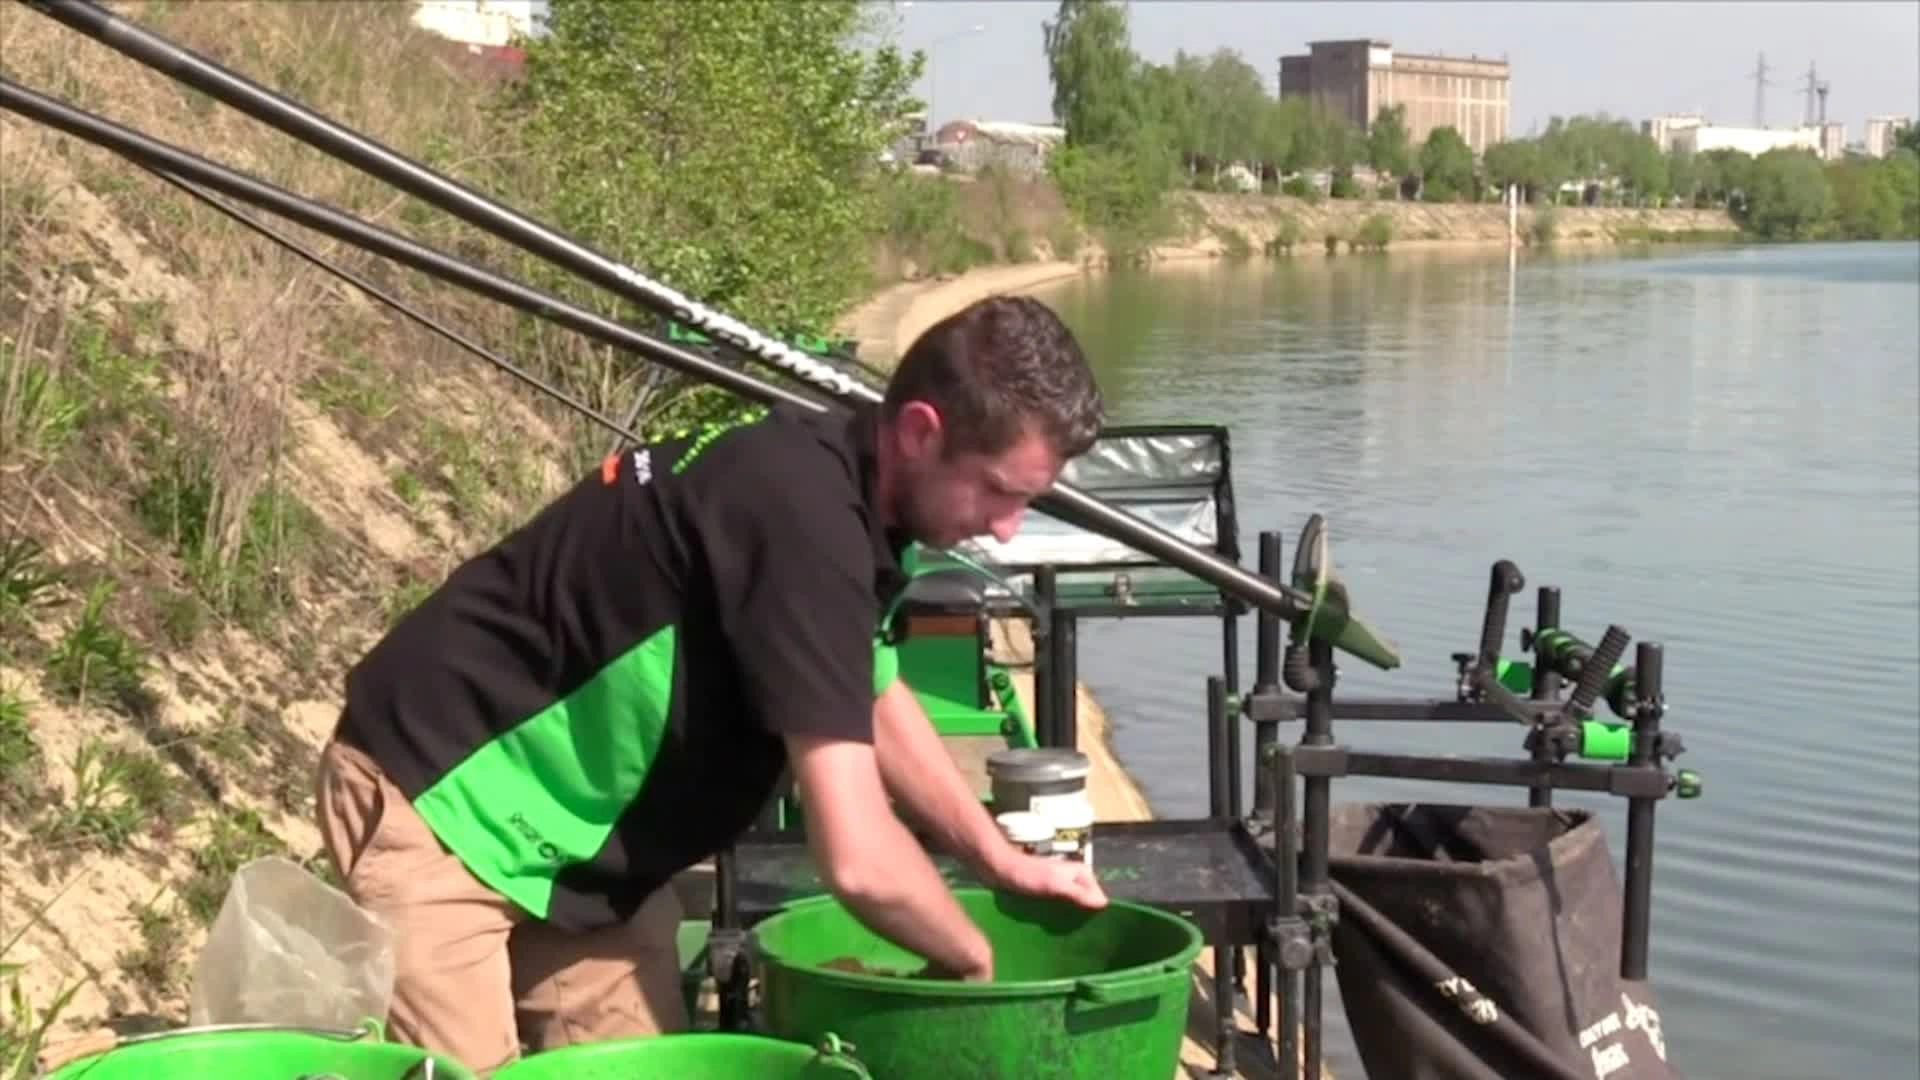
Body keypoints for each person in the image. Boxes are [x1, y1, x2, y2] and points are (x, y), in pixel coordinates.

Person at [313, 294, 1109, 1074]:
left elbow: (870, 689)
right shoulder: (800, 514)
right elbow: (859, 859)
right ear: (919, 431)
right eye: (1002, 492)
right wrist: (972, 958)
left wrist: (997, 860)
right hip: (443, 796)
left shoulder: (852, 496)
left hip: (589, 857)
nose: (1008, 530)